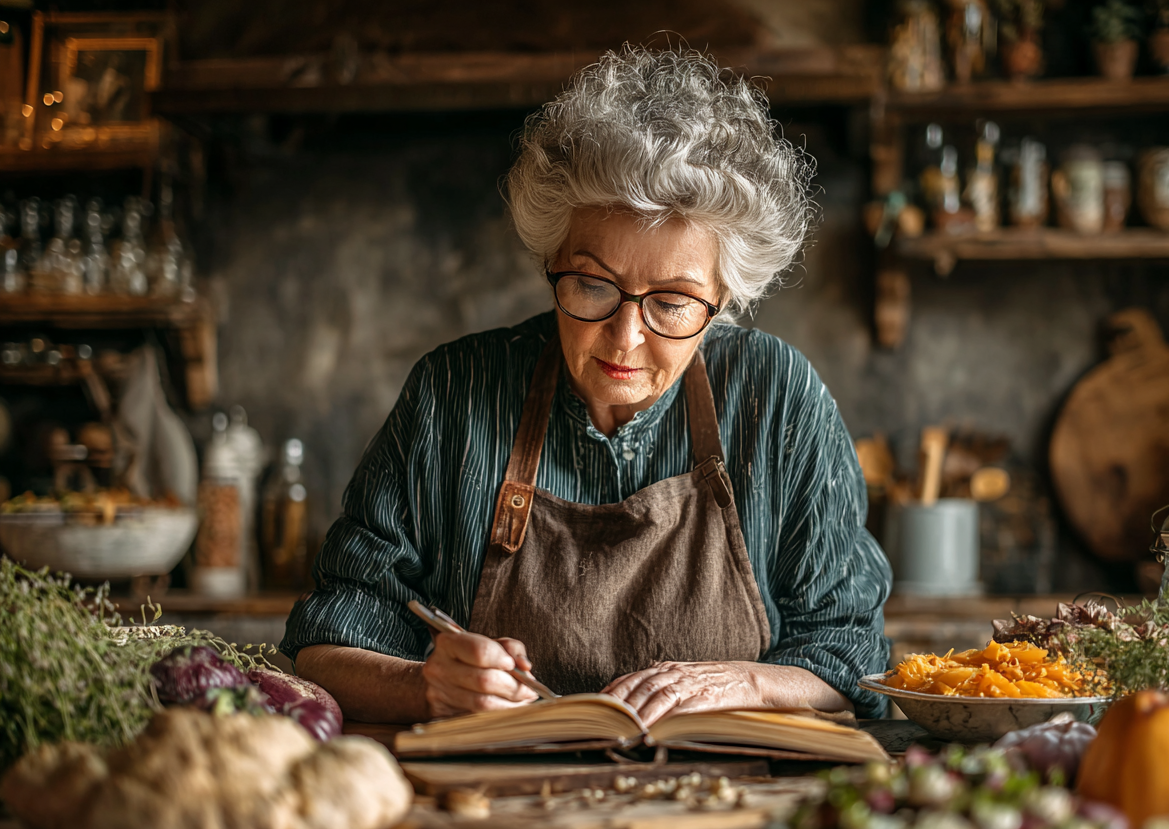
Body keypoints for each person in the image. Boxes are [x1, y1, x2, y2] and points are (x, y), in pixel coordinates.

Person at [280, 46, 892, 726]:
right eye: (593, 285)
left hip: (726, 785)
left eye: (673, 301)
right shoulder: (453, 392)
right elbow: (324, 645)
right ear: (552, 258)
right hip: (497, 785)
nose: (624, 337)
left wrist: (745, 682)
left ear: (726, 296)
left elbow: (852, 654)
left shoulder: (776, 397)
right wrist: (426, 685)